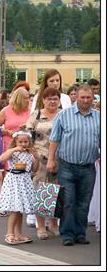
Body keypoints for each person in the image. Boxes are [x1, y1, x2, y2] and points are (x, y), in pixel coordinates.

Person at [47, 84, 100, 246]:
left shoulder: (99, 117)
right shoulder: (64, 115)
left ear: (93, 98)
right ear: (75, 97)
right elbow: (54, 139)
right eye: (82, 97)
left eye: (88, 97)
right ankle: (67, 234)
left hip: (88, 167)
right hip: (67, 166)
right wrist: (51, 159)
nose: (85, 100)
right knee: (68, 201)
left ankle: (80, 233)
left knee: (84, 202)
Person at [24, 87, 62, 237]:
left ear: (59, 101)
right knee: (41, 191)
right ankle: (41, 226)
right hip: (40, 159)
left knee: (56, 192)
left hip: (60, 158)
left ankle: (53, 223)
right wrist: (31, 153)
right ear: (43, 100)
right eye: (49, 99)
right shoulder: (36, 115)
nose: (52, 101)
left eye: (55, 99)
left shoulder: (63, 115)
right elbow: (26, 135)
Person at [0, 86, 31, 214]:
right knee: (9, 175)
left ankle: (20, 202)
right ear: (19, 99)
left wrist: (26, 128)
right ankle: (6, 203)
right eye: (26, 98)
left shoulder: (29, 111)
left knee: (24, 174)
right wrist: (6, 131)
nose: (28, 101)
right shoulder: (6, 110)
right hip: (9, 145)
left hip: (25, 146)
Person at [0, 130, 39, 245]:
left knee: (20, 209)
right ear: (15, 141)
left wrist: (36, 157)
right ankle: (9, 233)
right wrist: (14, 149)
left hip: (24, 181)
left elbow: (34, 169)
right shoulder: (13, 152)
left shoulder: (30, 154)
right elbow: (1, 159)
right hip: (14, 180)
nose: (23, 144)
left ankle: (18, 234)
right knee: (15, 208)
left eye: (25, 142)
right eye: (20, 142)